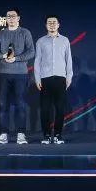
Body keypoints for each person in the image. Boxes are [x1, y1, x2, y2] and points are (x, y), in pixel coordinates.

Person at [0, 8, 35, 144]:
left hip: (20, 74)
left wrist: (16, 58)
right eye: (8, 16)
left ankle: (21, 134)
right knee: (3, 104)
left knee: (20, 104)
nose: (10, 18)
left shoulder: (25, 32)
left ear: (18, 18)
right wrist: (2, 56)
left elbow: (31, 52)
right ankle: (3, 134)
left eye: (13, 16)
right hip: (4, 73)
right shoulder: (1, 33)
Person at [34, 15, 73, 144]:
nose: (52, 24)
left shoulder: (65, 40)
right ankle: (46, 135)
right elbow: (37, 61)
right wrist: (37, 78)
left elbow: (68, 60)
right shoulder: (40, 41)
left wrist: (69, 76)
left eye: (54, 22)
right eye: (49, 22)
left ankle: (57, 135)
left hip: (61, 78)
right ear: (46, 25)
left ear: (58, 25)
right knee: (45, 109)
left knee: (60, 109)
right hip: (45, 78)